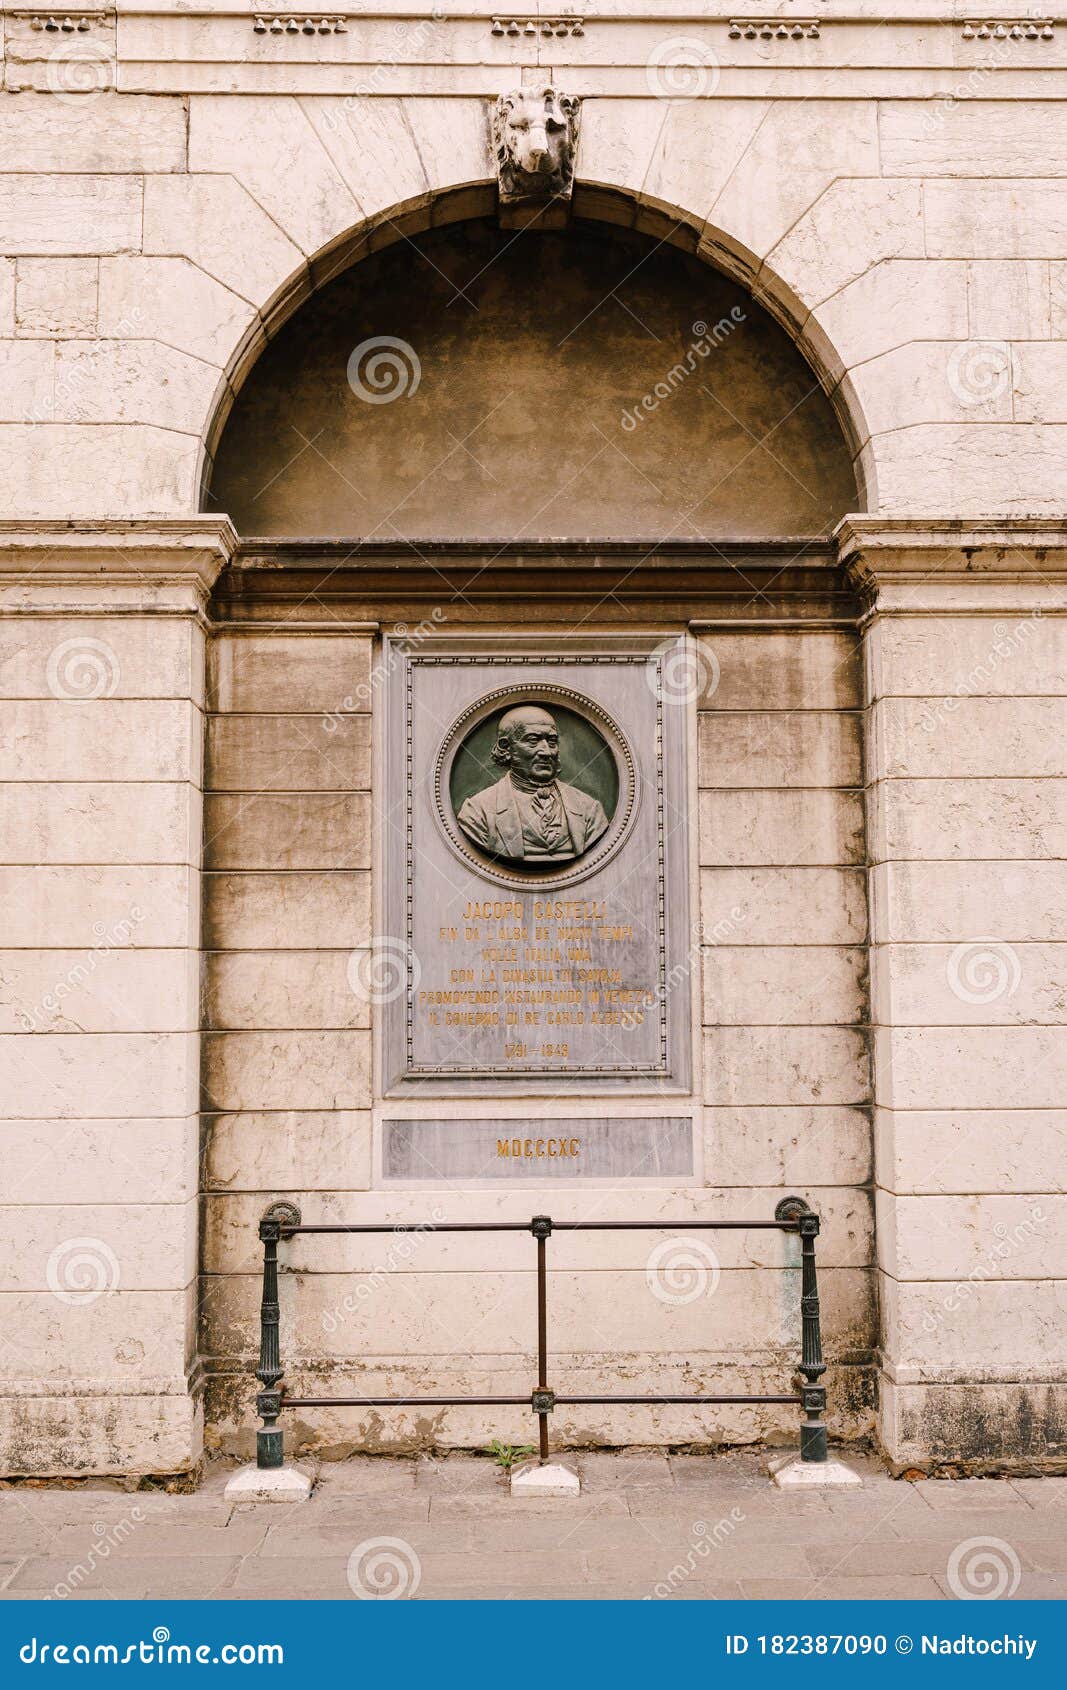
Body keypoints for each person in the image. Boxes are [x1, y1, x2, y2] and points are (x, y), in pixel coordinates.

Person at [456, 704, 609, 864]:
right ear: (506, 747)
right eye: (533, 740)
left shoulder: (589, 809)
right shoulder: (476, 812)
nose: (546, 752)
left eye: (551, 741)